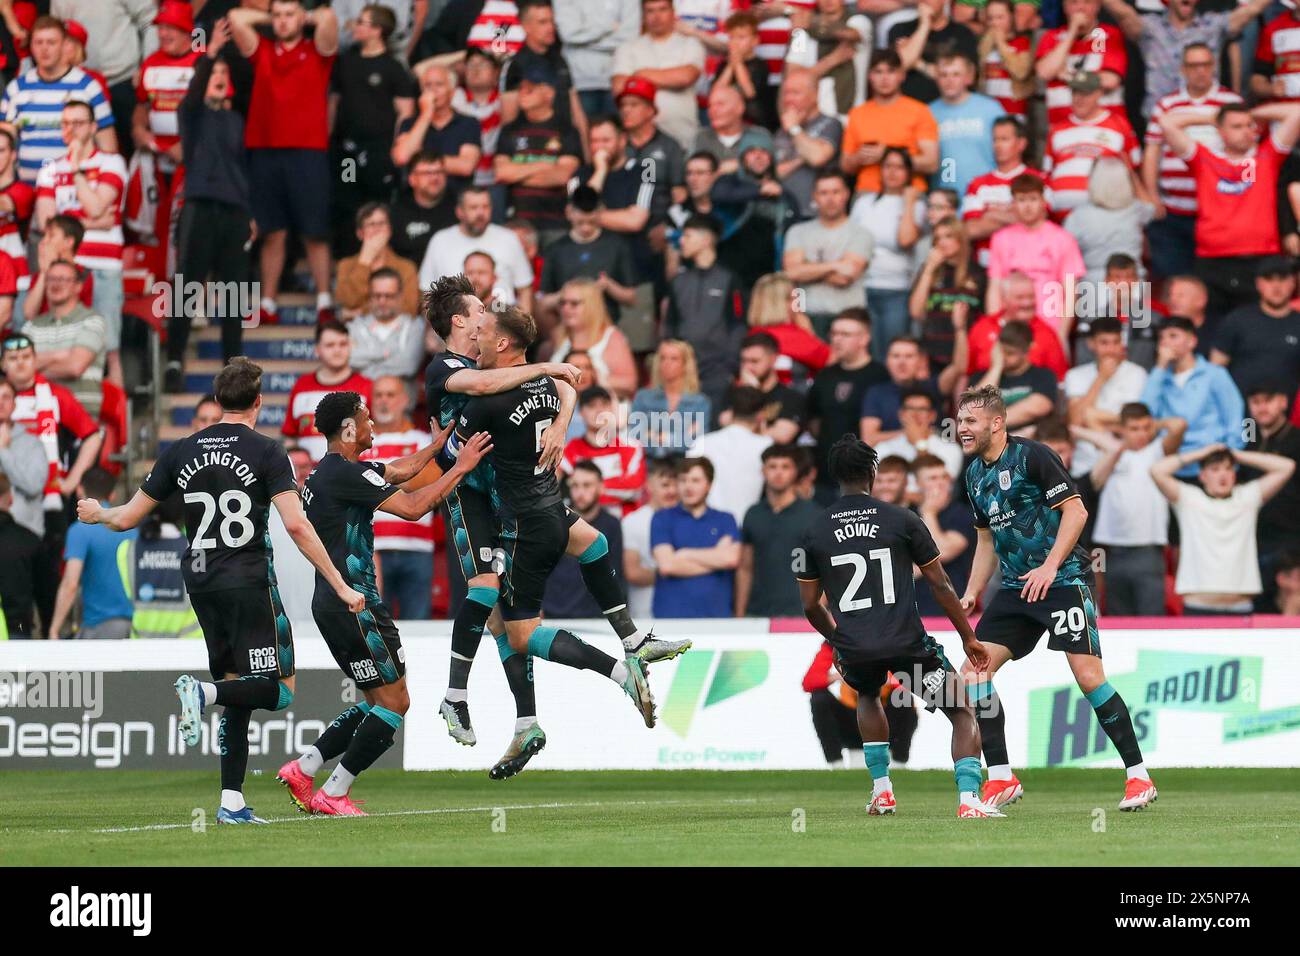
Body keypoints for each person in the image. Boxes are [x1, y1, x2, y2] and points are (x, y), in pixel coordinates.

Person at [76, 358, 368, 825]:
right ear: (258, 402)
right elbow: (295, 523)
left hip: (201, 579)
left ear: (215, 402)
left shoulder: (180, 450)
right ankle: (203, 694)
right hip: (248, 578)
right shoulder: (269, 452)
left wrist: (99, 512)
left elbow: (128, 517)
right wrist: (338, 581)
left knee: (238, 687)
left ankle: (231, 802)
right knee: (280, 690)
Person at [423, 276, 685, 776]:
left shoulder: (492, 363)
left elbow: (554, 384)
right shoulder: (447, 368)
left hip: (511, 496)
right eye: (478, 309)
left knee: (522, 611)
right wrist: (546, 368)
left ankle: (533, 718)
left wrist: (563, 423)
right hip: (470, 495)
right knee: (488, 597)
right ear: (460, 321)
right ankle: (457, 697)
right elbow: (496, 385)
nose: (484, 314)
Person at [448, 304, 661, 731]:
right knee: (595, 543)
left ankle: (619, 673)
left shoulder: (487, 402)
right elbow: (567, 386)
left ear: (503, 343)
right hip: (553, 508)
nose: (477, 338)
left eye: (484, 332)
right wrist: (562, 421)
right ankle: (632, 639)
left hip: (521, 522)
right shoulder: (546, 385)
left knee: (522, 635)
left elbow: (454, 453)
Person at [280, 390, 489, 815]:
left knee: (378, 701)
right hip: (357, 604)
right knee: (395, 702)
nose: (374, 424)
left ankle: (306, 769)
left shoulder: (333, 473)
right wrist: (463, 467)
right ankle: (334, 793)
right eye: (367, 418)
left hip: (335, 604)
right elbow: (413, 507)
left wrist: (440, 443)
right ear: (349, 429)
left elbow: (400, 471)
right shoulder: (343, 474)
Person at [955, 384, 1157, 811]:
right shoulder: (973, 474)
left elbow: (1077, 511)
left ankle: (1138, 778)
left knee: (1088, 677)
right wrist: (972, 590)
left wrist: (1049, 566)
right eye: (959, 421)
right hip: (1016, 589)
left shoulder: (1033, 456)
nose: (962, 428)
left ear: (997, 422)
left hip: (1063, 580)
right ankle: (1001, 778)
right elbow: (986, 540)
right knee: (974, 673)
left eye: (970, 421)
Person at [795, 433, 999, 818]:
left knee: (869, 696)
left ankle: (882, 792)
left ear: (834, 475)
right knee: (962, 710)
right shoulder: (904, 519)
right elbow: (940, 583)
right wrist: (968, 637)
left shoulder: (813, 530)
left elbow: (810, 605)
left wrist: (839, 641)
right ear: (873, 473)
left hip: (855, 645)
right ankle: (970, 801)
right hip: (908, 644)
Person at [230, 0, 340, 326]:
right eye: (276, 15)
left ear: (302, 16)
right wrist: (275, 17)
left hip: (308, 150)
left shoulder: (318, 50)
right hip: (264, 151)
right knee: (271, 232)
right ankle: (268, 302)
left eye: (288, 14)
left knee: (315, 233)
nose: (281, 21)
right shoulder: (263, 49)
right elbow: (236, 17)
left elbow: (330, 18)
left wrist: (302, 18)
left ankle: (324, 301)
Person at [164, 23, 251, 393]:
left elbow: (249, 170)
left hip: (233, 211)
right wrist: (210, 52)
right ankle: (173, 359)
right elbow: (193, 94)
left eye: (221, 74)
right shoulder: (193, 116)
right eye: (212, 73)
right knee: (186, 286)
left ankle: (234, 365)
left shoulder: (238, 120)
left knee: (235, 289)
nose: (216, 78)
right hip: (198, 207)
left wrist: (252, 215)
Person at [1157, 101, 1300, 319]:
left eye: (1249, 126)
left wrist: (1254, 112)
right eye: (1236, 127)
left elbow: (1296, 112)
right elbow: (1167, 122)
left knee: (1257, 329)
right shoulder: (1205, 160)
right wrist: (1213, 118)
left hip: (1259, 260)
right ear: (1221, 132)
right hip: (1213, 262)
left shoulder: (1266, 158)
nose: (1246, 132)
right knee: (1213, 328)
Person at [3, 332, 101, 632]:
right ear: (4, 364)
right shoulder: (4, 400)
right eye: (13, 359)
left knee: (48, 582)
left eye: (26, 357)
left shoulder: (55, 396)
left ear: (35, 360)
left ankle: (51, 640)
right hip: (8, 510)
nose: (20, 364)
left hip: (50, 505)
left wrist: (72, 479)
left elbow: (92, 435)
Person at [31, 100, 125, 387]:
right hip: (66, 266)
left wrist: (75, 172)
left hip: (104, 264)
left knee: (110, 348)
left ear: (94, 127)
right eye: (66, 123)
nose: (71, 129)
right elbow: (50, 223)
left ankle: (118, 408)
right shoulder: (49, 169)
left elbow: (95, 206)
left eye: (78, 123)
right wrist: (97, 222)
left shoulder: (112, 162)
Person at [1151, 442, 1296, 616]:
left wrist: (1236, 454)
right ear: (1202, 476)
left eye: (1228, 469)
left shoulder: (1247, 498)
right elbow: (1156, 470)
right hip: (1198, 605)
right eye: (1215, 469)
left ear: (1234, 474)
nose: (1223, 475)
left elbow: (1286, 466)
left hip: (1240, 606)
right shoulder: (1189, 499)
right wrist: (1201, 453)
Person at [1140, 43, 1242, 283]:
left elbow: (1244, 153)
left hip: (1217, 212)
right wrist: (1152, 195)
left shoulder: (1232, 102)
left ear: (1214, 66)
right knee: (1173, 283)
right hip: (1172, 211)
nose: (1200, 71)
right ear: (1183, 69)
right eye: (1194, 65)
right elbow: (1153, 151)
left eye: (1206, 64)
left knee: (1214, 282)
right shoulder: (1166, 105)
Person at [1089, 403, 1185, 616]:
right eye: (1134, 428)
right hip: (1112, 551)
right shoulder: (1110, 449)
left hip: (1148, 550)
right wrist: (1120, 429)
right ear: (1122, 429)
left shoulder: (1157, 451)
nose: (1142, 434)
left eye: (1146, 428)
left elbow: (1178, 425)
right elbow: (1089, 416)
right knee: (1118, 619)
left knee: (1152, 621)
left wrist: (1152, 426)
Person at [1099, 0, 1270, 118]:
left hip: (1205, 117)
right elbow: (1122, 13)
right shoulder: (1150, 27)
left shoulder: (1212, 25)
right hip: (1160, 118)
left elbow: (1251, 10)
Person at [0, 16, 115, 185]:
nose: (44, 49)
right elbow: (3, 144)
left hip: (75, 190)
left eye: (51, 42)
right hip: (26, 190)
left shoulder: (88, 86)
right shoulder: (16, 88)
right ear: (31, 46)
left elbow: (108, 145)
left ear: (64, 45)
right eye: (38, 42)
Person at [360, 375, 437, 620]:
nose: (384, 401)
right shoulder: (359, 445)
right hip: (371, 549)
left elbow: (431, 481)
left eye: (390, 395)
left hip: (417, 548)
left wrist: (374, 477)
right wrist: (405, 475)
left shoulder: (423, 441)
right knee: (375, 628)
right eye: (379, 395)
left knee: (419, 627)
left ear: (405, 400)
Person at [664, 213, 747, 414]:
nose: (681, 241)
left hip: (717, 371)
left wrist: (730, 366)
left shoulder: (729, 279)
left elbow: (738, 324)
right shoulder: (679, 281)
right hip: (683, 370)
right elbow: (670, 325)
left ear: (707, 239)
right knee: (682, 430)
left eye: (688, 235)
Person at [1139, 316, 1244, 473]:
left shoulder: (1214, 374)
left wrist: (1231, 456)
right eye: (1161, 338)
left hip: (1211, 464)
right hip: (1170, 464)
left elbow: (1237, 415)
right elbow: (1143, 416)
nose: (1165, 342)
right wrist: (1160, 367)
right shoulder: (1158, 377)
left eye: (1173, 336)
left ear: (1192, 341)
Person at [984, 174, 1084, 338]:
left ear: (1043, 202)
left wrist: (1062, 333)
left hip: (1051, 326)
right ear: (1013, 204)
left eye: (1033, 199)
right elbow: (995, 288)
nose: (1028, 206)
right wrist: (995, 328)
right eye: (1022, 200)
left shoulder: (1063, 239)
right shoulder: (1000, 238)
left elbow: (1071, 292)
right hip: (1011, 329)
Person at [492, 63, 582, 246]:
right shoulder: (510, 130)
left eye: (530, 88)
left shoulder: (566, 130)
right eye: (521, 88)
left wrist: (518, 173)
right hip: (517, 224)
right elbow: (502, 173)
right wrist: (545, 165)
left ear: (549, 93)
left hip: (555, 224)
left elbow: (562, 176)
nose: (523, 93)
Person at [849, 148, 926, 355]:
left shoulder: (917, 206)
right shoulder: (864, 203)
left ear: (909, 173)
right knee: (865, 352)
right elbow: (851, 242)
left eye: (900, 167)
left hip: (897, 290)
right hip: (862, 287)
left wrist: (908, 203)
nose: (892, 172)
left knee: (893, 351)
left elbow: (906, 240)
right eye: (888, 166)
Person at [807, 308, 888, 498]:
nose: (837, 339)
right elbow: (814, 421)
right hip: (825, 475)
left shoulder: (880, 375)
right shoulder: (824, 375)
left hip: (863, 477)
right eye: (834, 333)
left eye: (845, 334)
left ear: (864, 338)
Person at [782, 170, 873, 337]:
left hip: (848, 319)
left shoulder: (861, 233)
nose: (830, 199)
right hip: (804, 317)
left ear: (846, 194)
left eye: (835, 192)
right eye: (823, 193)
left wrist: (806, 267)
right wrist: (836, 265)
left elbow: (845, 277)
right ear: (814, 197)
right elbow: (792, 274)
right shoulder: (797, 231)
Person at [48, 466, 134, 639]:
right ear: (112, 495)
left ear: (79, 490)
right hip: (133, 626)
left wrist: (54, 629)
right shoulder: (131, 529)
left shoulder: (80, 530)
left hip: (98, 627)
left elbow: (70, 584)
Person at [735, 444, 822, 616]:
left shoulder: (814, 514)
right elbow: (745, 568)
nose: (779, 473)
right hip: (757, 612)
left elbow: (826, 568)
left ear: (795, 472)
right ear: (763, 471)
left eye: (785, 467)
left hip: (801, 614)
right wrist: (739, 613)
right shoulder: (753, 514)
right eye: (772, 466)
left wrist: (819, 610)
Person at [651, 455, 740, 619]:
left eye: (695, 480)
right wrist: (715, 559)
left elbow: (730, 559)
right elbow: (667, 565)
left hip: (717, 617)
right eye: (683, 480)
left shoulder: (725, 519)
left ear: (709, 485)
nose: (688, 486)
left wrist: (685, 554)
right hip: (670, 617)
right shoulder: (662, 518)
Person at [611, 0, 706, 152]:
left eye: (662, 9)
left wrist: (639, 75)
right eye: (650, 11)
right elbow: (619, 88)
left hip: (683, 135)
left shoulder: (690, 44)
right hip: (638, 141)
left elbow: (686, 77)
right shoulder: (627, 48)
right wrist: (668, 77)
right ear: (643, 16)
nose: (656, 16)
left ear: (673, 13)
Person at [420, 185, 534, 310]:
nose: (480, 213)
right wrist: (438, 326)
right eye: (473, 207)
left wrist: (523, 327)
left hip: (502, 318)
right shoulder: (440, 240)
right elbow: (426, 292)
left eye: (485, 207)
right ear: (459, 211)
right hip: (453, 321)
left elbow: (525, 289)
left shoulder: (509, 238)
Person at [841, 49, 938, 196]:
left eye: (891, 71)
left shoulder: (919, 110)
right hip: (867, 192)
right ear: (870, 76)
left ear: (902, 75)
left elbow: (931, 163)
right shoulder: (857, 113)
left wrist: (887, 155)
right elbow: (845, 165)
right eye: (878, 72)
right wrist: (858, 158)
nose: (884, 78)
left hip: (909, 193)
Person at [539, 187, 639, 325]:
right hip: (568, 327)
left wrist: (609, 285)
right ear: (569, 213)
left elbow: (631, 298)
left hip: (606, 324)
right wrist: (565, 294)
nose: (586, 228)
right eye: (580, 222)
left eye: (592, 222)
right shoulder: (556, 249)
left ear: (600, 213)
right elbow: (543, 303)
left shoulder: (617, 245)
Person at [1063, 317, 1149, 476]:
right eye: (1104, 343)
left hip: (1125, 462)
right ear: (1091, 344)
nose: (1111, 349)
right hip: (1085, 464)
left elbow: (1134, 422)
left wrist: (1092, 418)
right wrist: (1101, 378)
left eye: (1116, 342)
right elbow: (1075, 422)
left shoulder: (1137, 374)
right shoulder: (1075, 375)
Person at [542, 459, 627, 617]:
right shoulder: (554, 521)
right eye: (575, 485)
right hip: (551, 614)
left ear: (601, 487)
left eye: (587, 485)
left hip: (595, 617)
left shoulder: (612, 525)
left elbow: (615, 576)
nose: (580, 492)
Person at [961, 115, 1045, 269]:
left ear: (1021, 144)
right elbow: (971, 229)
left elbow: (1041, 222)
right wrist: (1017, 217)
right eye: (995, 140)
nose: (998, 145)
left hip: (1029, 265)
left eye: (1004, 139)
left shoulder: (1039, 179)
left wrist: (990, 214)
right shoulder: (977, 184)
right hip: (986, 266)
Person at [1243, 383, 1300, 610]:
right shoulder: (1248, 439)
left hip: (1290, 543)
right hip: (1253, 541)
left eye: (1268, 401)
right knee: (1257, 610)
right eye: (1256, 402)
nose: (1261, 408)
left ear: (1283, 402)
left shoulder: (1296, 439)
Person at [282, 321, 374, 462]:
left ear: (350, 346)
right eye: (330, 345)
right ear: (317, 349)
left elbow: (377, 436)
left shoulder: (366, 386)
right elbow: (290, 437)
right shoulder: (301, 386)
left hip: (351, 475)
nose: (337, 350)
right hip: (308, 478)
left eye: (342, 344)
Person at [25, 258, 105, 417]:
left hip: (80, 416)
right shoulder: (31, 327)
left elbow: (75, 367)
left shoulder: (92, 321)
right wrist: (60, 355)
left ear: (78, 286)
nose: (56, 284)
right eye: (51, 279)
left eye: (63, 279)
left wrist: (34, 368)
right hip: (38, 414)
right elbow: (15, 369)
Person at [1210, 257, 1300, 397]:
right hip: (1242, 412)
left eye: (1282, 279)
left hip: (1288, 414)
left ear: (1293, 283)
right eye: (1269, 279)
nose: (1276, 286)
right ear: (1258, 284)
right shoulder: (1237, 320)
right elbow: (1215, 369)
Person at [687, 386, 774, 525]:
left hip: (704, 525)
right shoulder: (767, 445)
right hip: (747, 528)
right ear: (760, 416)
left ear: (729, 412)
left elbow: (687, 484)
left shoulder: (702, 442)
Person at [499, 0, 587, 137]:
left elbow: (576, 113)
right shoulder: (515, 65)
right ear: (526, 26)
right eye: (543, 22)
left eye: (552, 21)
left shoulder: (560, 60)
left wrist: (586, 156)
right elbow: (508, 120)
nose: (550, 28)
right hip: (532, 147)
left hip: (565, 144)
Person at [1033, 0, 1126, 129]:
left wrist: (1066, 76)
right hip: (1063, 130)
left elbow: (1110, 80)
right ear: (1065, 7)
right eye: (1073, 2)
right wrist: (1072, 32)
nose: (1080, 8)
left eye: (1087, 2)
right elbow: (1044, 72)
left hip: (1105, 130)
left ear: (1097, 6)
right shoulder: (1051, 37)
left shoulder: (1107, 34)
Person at [861, 335, 966, 447]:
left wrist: (960, 329)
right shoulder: (876, 393)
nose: (902, 362)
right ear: (887, 361)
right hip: (892, 459)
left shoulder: (933, 387)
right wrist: (912, 433)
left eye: (909, 356)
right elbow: (869, 439)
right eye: (896, 356)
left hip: (934, 457)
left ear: (921, 362)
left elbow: (959, 367)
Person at [1063, 158, 1154, 285]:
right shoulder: (1136, 210)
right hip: (1131, 285)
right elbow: (1154, 208)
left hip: (1092, 286)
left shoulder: (1078, 216)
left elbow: (1065, 256)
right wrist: (1132, 175)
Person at [910, 216, 983, 369]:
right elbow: (916, 312)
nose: (942, 242)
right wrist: (929, 270)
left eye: (948, 236)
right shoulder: (929, 271)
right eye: (937, 238)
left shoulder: (978, 274)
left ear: (961, 238)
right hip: (932, 354)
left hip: (967, 352)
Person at [549, 275, 638, 399]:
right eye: (562, 303)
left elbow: (629, 384)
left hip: (602, 413)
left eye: (574, 303)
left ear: (592, 305)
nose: (566, 308)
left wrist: (593, 378)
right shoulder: (559, 335)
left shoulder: (612, 338)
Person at [561, 385, 646, 515]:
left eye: (604, 404)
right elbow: (564, 493)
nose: (599, 410)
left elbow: (635, 490)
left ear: (612, 409)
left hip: (623, 523)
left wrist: (587, 488)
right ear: (580, 412)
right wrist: (617, 484)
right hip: (583, 524)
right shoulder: (567, 451)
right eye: (592, 406)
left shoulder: (632, 447)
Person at [926, 51, 1001, 198]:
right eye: (943, 75)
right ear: (936, 78)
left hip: (987, 196)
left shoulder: (991, 109)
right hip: (947, 201)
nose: (949, 80)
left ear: (968, 77)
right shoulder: (927, 113)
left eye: (956, 74)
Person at [773, 68, 843, 220]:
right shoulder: (782, 131)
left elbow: (817, 157)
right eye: (786, 93)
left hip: (816, 215)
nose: (788, 99)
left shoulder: (830, 124)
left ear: (815, 95)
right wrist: (800, 159)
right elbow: (774, 173)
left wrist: (794, 129)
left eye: (796, 93)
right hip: (783, 213)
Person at [553, 0, 641, 119]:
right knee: (582, 134)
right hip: (579, 82)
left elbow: (630, 36)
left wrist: (584, 41)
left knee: (617, 134)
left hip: (617, 81)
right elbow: (569, 34)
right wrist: (610, 26)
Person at [345, 268, 427, 389]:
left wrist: (365, 367)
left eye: (389, 296)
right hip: (361, 402)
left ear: (400, 296)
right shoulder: (354, 327)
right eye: (377, 296)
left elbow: (408, 366)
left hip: (401, 405)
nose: (382, 301)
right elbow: (349, 361)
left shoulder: (416, 327)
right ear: (369, 296)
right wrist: (385, 354)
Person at [630, 338, 712, 458]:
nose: (666, 363)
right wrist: (681, 437)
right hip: (650, 465)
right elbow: (636, 438)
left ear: (685, 364)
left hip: (684, 467)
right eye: (662, 358)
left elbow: (697, 443)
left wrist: (655, 436)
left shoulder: (700, 402)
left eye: (674, 359)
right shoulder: (643, 397)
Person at [335, 204, 421, 319]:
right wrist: (365, 261)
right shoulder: (345, 265)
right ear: (360, 233)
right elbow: (349, 302)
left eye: (381, 223)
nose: (377, 229)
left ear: (389, 230)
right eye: (371, 224)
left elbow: (409, 309)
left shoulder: (406, 267)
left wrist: (360, 312)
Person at [975, 321, 1059, 433]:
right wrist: (996, 368)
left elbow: (1037, 408)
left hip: (1029, 443)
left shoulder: (1043, 375)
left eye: (1010, 353)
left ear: (1026, 350)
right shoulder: (982, 376)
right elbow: (974, 409)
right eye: (1001, 351)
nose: (1004, 356)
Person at [731, 329, 812, 443]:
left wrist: (754, 393)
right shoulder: (735, 392)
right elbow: (725, 423)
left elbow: (782, 436)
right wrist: (748, 392)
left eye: (754, 361)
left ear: (773, 359)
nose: (747, 367)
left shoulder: (791, 397)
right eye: (744, 361)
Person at [622, 458, 677, 619]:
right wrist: (679, 572)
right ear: (649, 485)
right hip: (644, 614)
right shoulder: (632, 521)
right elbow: (633, 573)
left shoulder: (687, 519)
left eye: (675, 484)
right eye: (665, 485)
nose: (672, 491)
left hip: (682, 612)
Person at [875, 385, 964, 478]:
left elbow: (938, 486)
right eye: (910, 408)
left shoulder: (950, 449)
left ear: (932, 416)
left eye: (922, 409)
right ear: (901, 414)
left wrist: (920, 444)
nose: (915, 414)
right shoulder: (883, 449)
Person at [0, 377, 51, 539]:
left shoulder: (32, 444)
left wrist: (3, 451)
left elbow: (34, 485)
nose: (0, 402)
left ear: (14, 404)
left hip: (24, 539)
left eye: (6, 397)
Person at [389, 151, 457, 264]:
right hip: (409, 276)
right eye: (427, 173)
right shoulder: (397, 210)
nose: (435, 178)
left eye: (439, 172)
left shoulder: (458, 206)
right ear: (412, 179)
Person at [0, 472, 40, 638]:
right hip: (19, 630)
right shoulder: (28, 540)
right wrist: (50, 628)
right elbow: (46, 592)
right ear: (10, 499)